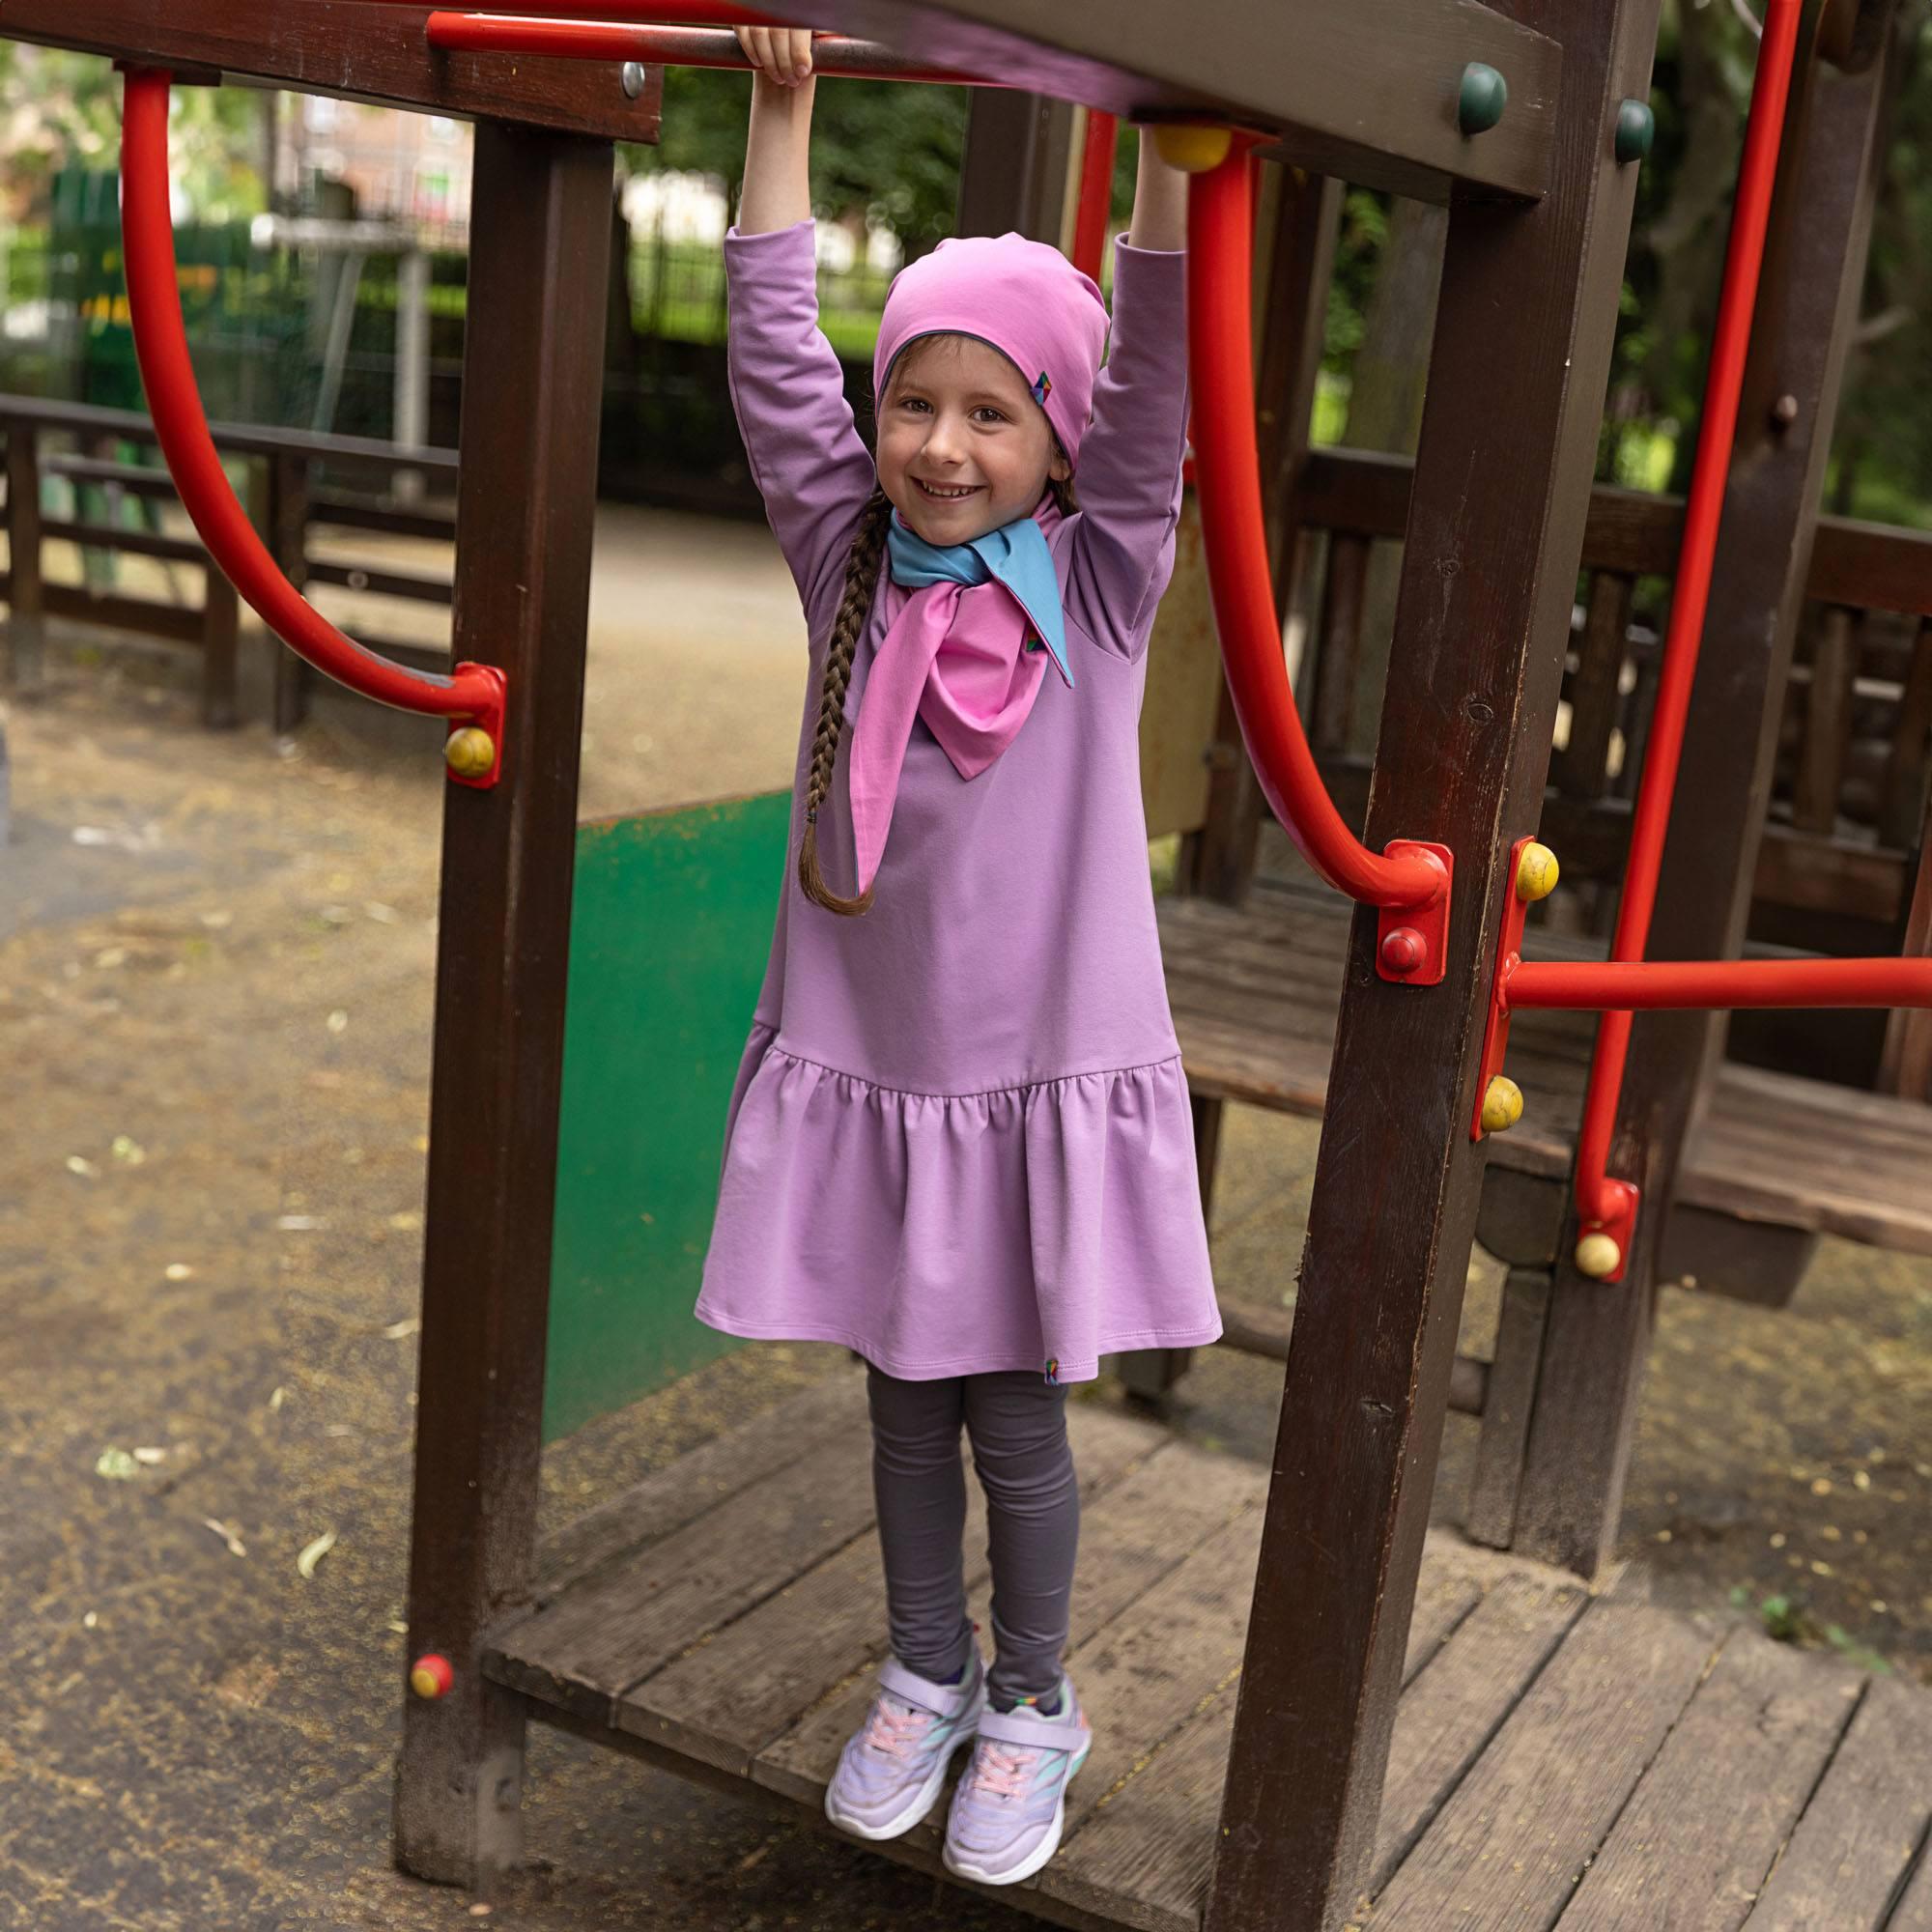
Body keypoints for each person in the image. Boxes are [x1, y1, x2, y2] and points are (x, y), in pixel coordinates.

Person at [694, 24, 1219, 1889]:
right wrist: (781, 113)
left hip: (1025, 1084)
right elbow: (774, 376)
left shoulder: (1103, 575)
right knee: (898, 1402)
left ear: (1058, 438)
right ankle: (924, 1670)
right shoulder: (846, 556)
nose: (940, 445)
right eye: (916, 403)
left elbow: (1158, 377)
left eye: (994, 414)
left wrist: (1164, 142)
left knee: (1014, 1421)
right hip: (880, 1065)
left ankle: (1033, 1699)